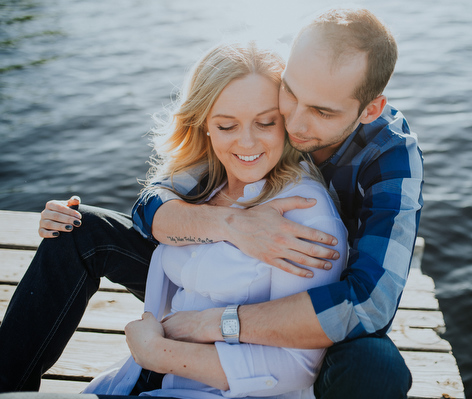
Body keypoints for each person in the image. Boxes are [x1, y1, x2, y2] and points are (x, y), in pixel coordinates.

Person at [0, 7, 423, 399]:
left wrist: (213, 324)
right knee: (80, 229)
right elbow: (154, 201)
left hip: (310, 299)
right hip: (228, 264)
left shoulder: (391, 160)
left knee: (374, 367)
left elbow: (368, 304)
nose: (294, 123)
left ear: (370, 109)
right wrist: (231, 225)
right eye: (290, 95)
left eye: (322, 112)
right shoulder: (255, 109)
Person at [77, 41, 347, 398]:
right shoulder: (203, 181)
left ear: (287, 121)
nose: (247, 143)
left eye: (266, 122)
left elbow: (296, 367)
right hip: (139, 375)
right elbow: (148, 207)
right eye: (226, 126)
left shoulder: (305, 214)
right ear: (204, 124)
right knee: (75, 226)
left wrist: (160, 354)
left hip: (212, 390)